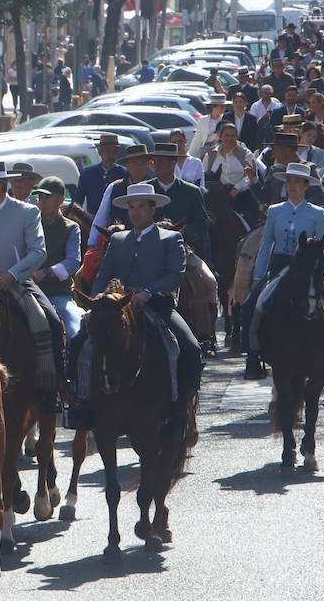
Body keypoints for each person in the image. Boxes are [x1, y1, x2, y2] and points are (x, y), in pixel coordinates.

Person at [89, 182, 202, 441]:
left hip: (157, 304)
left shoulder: (171, 238)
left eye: (141, 207)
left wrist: (149, 292)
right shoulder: (117, 240)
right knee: (82, 343)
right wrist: (97, 297)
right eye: (132, 207)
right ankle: (83, 403)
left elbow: (176, 273)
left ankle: (181, 406)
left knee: (190, 348)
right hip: (118, 305)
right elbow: (103, 274)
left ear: (152, 210)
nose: (136, 212)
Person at [0, 159, 63, 395]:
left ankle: (55, 387)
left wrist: (11, 275)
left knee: (49, 321)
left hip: (15, 283)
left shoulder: (27, 211)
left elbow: (38, 252)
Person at [241, 163, 324, 379]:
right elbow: (266, 245)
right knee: (252, 304)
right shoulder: (275, 211)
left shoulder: (316, 212)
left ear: (305, 186)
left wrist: (315, 252)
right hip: (281, 265)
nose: (293, 185)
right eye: (290, 181)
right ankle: (253, 354)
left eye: (298, 182)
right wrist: (257, 277)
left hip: (308, 266)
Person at [30, 176, 83, 340]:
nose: (42, 202)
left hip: (58, 294)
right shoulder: (30, 224)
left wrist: (45, 272)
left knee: (75, 332)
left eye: (47, 197)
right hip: (28, 293)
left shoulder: (71, 228)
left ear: (60, 200)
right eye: (40, 197)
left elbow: (73, 261)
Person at [149, 141, 212, 257]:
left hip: (183, 249)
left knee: (205, 275)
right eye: (154, 162)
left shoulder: (191, 191)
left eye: (161, 162)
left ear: (173, 163)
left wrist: (180, 231)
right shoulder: (145, 189)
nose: (156, 166)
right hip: (147, 247)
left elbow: (202, 223)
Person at [89, 143, 155, 247]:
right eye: (134, 162)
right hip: (118, 242)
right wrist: (92, 244)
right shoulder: (114, 187)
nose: (139, 166)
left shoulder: (155, 188)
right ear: (127, 165)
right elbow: (101, 218)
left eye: (142, 162)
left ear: (149, 164)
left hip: (151, 243)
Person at [203, 121, 260, 224]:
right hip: (217, 198)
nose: (229, 138)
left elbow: (252, 175)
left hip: (240, 196)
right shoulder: (211, 154)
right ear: (220, 136)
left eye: (232, 135)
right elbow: (205, 175)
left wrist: (237, 187)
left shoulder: (245, 153)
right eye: (226, 135)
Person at [75, 134, 127, 212]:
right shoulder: (87, 173)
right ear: (100, 152)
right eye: (107, 151)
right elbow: (77, 201)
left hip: (118, 221)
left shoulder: (124, 173)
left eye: (114, 152)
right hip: (92, 220)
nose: (111, 155)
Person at [191, 93, 229, 157]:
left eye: (224, 106)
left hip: (220, 150)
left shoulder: (226, 119)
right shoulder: (203, 120)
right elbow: (197, 139)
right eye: (221, 106)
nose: (223, 108)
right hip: (205, 150)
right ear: (214, 106)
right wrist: (191, 154)